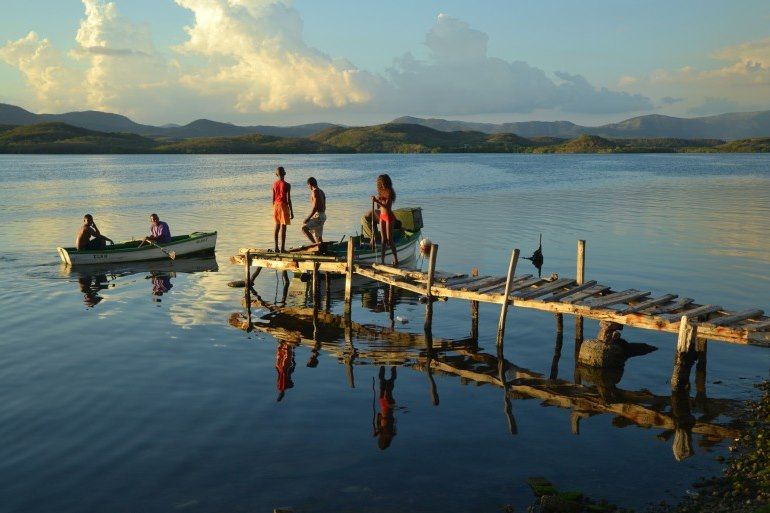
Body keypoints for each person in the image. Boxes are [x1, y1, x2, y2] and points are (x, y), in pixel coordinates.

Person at [371, 174, 398, 266]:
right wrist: (376, 200)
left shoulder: (389, 192)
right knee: (383, 240)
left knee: (389, 240)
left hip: (389, 217)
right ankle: (382, 261)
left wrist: (377, 201)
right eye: (380, 183)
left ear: (387, 182)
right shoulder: (380, 192)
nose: (382, 184)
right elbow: (380, 206)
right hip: (382, 216)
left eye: (383, 182)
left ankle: (396, 259)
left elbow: (387, 206)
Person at [272, 166, 293, 252]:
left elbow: (273, 199)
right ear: (284, 173)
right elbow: (288, 199)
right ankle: (282, 248)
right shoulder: (287, 185)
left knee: (277, 226)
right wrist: (291, 211)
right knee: (283, 228)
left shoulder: (274, 184)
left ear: (277, 174)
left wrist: (274, 208)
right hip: (283, 205)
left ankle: (276, 247)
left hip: (276, 205)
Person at [301, 177, 326, 244]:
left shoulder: (314, 192)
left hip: (318, 216)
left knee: (304, 228)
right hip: (323, 215)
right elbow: (324, 206)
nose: (308, 187)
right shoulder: (321, 191)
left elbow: (315, 207)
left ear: (309, 184)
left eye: (308, 185)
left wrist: (308, 218)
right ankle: (321, 250)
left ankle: (315, 245)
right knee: (318, 237)